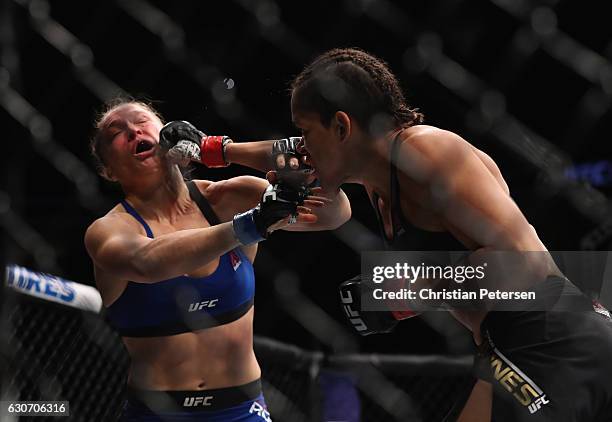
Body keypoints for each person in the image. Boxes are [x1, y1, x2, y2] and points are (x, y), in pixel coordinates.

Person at [288, 48, 612, 421]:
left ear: (342, 127)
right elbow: (289, 157)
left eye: (305, 132)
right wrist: (222, 152)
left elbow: (521, 264)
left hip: (551, 339)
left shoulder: (426, 151)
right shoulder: (381, 185)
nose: (301, 147)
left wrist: (407, 290)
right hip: (517, 346)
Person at [84, 99, 351, 421]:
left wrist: (219, 150)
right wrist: (249, 226)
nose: (132, 130)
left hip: (243, 410)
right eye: (117, 132)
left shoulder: (228, 199)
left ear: (168, 134)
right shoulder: (108, 230)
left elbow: (334, 214)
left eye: (141, 121)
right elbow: (146, 262)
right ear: (108, 170)